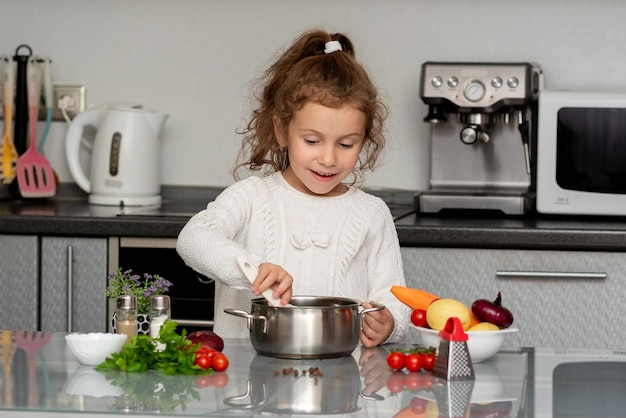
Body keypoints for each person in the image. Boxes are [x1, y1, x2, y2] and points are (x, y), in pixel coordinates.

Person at [176, 28, 409, 347]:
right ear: (281, 130)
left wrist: (389, 323)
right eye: (312, 141)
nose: (328, 158)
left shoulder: (371, 214)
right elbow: (192, 238)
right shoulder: (252, 198)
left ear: (364, 140)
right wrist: (252, 269)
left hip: (341, 386)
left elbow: (393, 299)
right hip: (246, 384)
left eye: (346, 143)